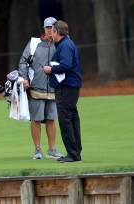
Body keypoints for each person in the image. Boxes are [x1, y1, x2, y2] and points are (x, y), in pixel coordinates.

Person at [19, 17, 64, 160]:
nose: (50, 30)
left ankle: (52, 149)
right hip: (36, 87)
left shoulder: (61, 44)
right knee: (36, 119)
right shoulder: (34, 43)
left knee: (51, 119)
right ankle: (37, 150)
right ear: (44, 28)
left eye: (52, 27)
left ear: (56, 29)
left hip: (54, 88)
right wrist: (25, 78)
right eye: (47, 27)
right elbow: (23, 62)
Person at [43, 20, 82, 163]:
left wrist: (50, 69)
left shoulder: (65, 45)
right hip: (69, 86)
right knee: (72, 119)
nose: (50, 34)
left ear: (56, 32)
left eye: (52, 31)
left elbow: (66, 65)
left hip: (67, 87)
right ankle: (75, 153)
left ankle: (73, 154)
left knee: (66, 120)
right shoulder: (65, 44)